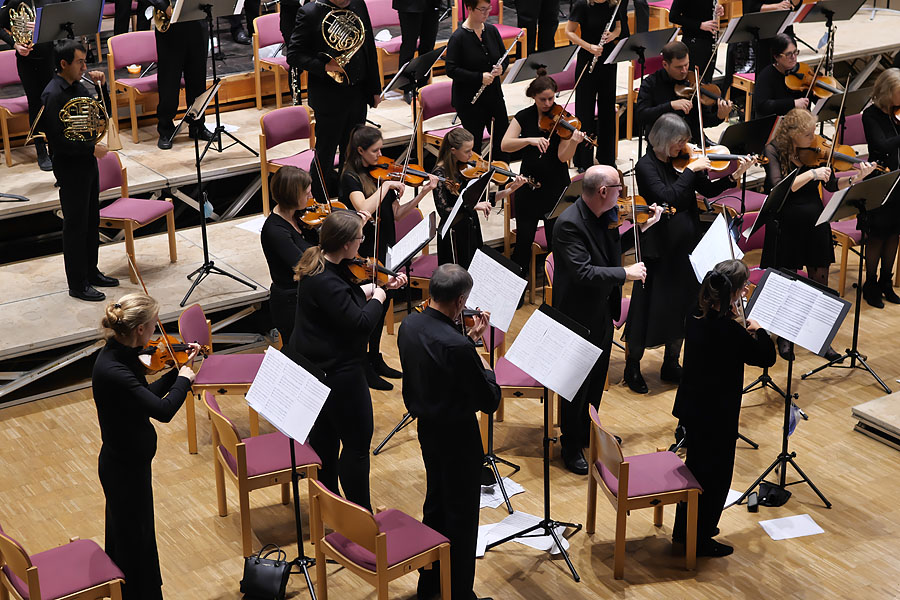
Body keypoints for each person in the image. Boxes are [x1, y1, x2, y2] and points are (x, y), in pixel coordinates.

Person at [623, 113, 753, 393]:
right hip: (659, 249)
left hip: (687, 247)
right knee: (648, 308)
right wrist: (691, 171)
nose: (684, 146)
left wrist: (734, 176)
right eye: (679, 141)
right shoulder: (646, 166)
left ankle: (671, 363)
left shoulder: (684, 162)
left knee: (684, 306)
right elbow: (667, 197)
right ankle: (632, 366)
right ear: (664, 139)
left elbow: (707, 190)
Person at [288, 210, 407, 511]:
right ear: (345, 243)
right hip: (339, 374)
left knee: (325, 444)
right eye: (359, 238)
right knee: (356, 447)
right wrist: (379, 296)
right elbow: (359, 324)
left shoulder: (319, 265)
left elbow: (342, 301)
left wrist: (376, 288)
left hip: (317, 372)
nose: (362, 243)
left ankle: (332, 512)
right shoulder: (328, 281)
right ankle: (360, 515)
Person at [398, 264, 500, 600]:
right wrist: (482, 359)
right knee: (461, 518)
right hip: (459, 438)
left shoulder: (409, 324)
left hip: (428, 431)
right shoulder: (458, 348)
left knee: (437, 507)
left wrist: (468, 340)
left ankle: (430, 587)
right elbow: (489, 401)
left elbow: (440, 364)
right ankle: (458, 594)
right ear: (459, 301)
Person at [553, 165, 661, 474]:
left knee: (596, 380)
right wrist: (626, 273)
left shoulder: (607, 215)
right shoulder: (569, 224)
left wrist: (642, 229)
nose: (623, 195)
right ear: (603, 191)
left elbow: (612, 251)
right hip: (576, 315)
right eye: (619, 189)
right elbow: (583, 272)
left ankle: (588, 431)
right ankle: (570, 445)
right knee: (576, 384)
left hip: (600, 310)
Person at [92, 293, 199, 600]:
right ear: (140, 329)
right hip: (123, 471)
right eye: (154, 325)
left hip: (128, 465)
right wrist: (184, 380)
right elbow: (162, 411)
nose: (156, 331)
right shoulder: (114, 370)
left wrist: (177, 373)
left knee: (132, 540)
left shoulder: (121, 355)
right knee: (135, 546)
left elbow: (144, 397)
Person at [671, 260, 776, 558]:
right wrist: (759, 331)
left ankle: (685, 531)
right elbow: (766, 358)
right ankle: (700, 539)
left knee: (695, 471)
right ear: (735, 292)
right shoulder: (730, 331)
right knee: (715, 478)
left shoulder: (694, 313)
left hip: (692, 408)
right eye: (744, 288)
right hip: (717, 415)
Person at [761, 108, 875, 359]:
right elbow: (779, 186)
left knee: (819, 280)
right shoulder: (773, 150)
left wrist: (856, 178)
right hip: (786, 223)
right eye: (807, 134)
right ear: (792, 134)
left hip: (815, 221)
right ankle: (785, 337)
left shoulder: (816, 150)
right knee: (788, 281)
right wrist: (811, 174)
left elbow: (832, 184)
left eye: (814, 132)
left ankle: (820, 337)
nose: (813, 137)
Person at [340, 125, 438, 390]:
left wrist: (423, 193)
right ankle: (362, 363)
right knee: (367, 307)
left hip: (385, 247)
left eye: (381, 149)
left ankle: (374, 356)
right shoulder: (350, 177)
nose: (380, 155)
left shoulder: (382, 174)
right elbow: (364, 208)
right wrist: (386, 186)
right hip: (362, 251)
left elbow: (396, 214)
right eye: (375, 151)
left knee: (382, 306)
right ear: (360, 151)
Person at [41, 40, 119, 302]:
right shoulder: (53, 95)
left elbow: (101, 116)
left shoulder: (78, 86)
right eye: (80, 62)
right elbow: (57, 140)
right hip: (70, 167)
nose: (85, 67)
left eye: (85, 61)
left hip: (86, 164)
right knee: (75, 226)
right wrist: (90, 149)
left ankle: (91, 272)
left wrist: (102, 88)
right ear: (64, 64)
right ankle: (77, 283)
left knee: (91, 221)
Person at [288, 0, 381, 199]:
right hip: (328, 97)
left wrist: (375, 88)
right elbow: (294, 55)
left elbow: (368, 46)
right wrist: (324, 67)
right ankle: (320, 203)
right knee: (326, 154)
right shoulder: (310, 12)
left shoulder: (358, 4)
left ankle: (350, 201)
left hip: (357, 92)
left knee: (354, 153)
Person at [501, 70, 583, 278]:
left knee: (557, 244)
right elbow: (505, 144)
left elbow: (563, 157)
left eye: (551, 98)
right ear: (533, 97)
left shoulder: (563, 119)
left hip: (556, 188)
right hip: (529, 187)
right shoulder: (523, 117)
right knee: (523, 244)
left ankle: (555, 286)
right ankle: (516, 288)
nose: (548, 103)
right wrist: (529, 140)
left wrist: (573, 142)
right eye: (542, 99)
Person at [432, 127, 526, 267]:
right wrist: (473, 205)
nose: (472, 155)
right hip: (454, 235)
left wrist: (510, 189)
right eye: (467, 151)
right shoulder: (439, 174)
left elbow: (483, 199)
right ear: (453, 151)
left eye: (472, 149)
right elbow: (444, 210)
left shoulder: (463, 168)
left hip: (471, 227)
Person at [565, 0, 629, 171]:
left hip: (608, 60)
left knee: (607, 110)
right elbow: (569, 32)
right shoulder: (582, 5)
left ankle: (606, 157)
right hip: (588, 59)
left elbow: (619, 28)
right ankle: (584, 161)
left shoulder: (613, 4)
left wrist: (612, 36)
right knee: (585, 111)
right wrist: (589, 47)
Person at [445, 0, 511, 162]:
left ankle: (502, 174)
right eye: (482, 9)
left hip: (494, 96)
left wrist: (501, 68)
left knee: (502, 140)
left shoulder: (491, 30)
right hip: (470, 101)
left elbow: (504, 57)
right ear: (469, 8)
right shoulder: (458, 37)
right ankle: (474, 177)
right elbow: (451, 70)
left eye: (489, 8)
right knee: (473, 147)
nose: (487, 13)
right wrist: (479, 77)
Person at [635, 41, 732, 147]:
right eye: (679, 67)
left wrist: (719, 116)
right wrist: (671, 105)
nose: (684, 71)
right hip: (663, 144)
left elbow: (703, 121)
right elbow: (641, 116)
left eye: (686, 65)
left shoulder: (694, 81)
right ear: (665, 65)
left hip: (693, 141)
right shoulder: (651, 83)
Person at [146, 0, 212, 150]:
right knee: (169, 81)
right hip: (171, 27)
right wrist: (164, 6)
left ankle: (197, 126)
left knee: (198, 80)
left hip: (197, 23)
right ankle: (166, 129)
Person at [260, 166, 315, 344]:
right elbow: (303, 265)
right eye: (306, 193)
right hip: (291, 303)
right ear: (292, 195)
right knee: (299, 352)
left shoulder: (299, 215)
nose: (311, 196)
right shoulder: (275, 231)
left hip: (306, 294)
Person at [860, 68, 900, 308]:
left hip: (899, 181)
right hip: (879, 182)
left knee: (894, 233)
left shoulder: (897, 112)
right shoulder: (870, 115)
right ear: (887, 92)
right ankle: (871, 284)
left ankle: (886, 282)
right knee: (877, 235)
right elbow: (881, 145)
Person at [0, 0, 54, 170]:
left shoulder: (50, 1)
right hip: (27, 62)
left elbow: (63, 25)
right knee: (35, 103)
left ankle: (55, 147)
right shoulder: (15, 2)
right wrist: (14, 44)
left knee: (53, 102)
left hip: (51, 58)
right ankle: (41, 150)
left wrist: (42, 27)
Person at [393, 0, 439, 103]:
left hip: (431, 4)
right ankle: (407, 87)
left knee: (428, 46)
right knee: (409, 46)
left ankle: (423, 85)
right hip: (409, 5)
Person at [753, 33, 808, 119]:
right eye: (788, 54)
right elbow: (761, 106)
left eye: (795, 52)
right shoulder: (767, 75)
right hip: (776, 123)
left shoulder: (803, 71)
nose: (793, 57)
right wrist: (793, 103)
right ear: (776, 57)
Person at [669, 0, 724, 83]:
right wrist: (700, 25)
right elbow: (673, 17)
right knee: (692, 82)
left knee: (707, 81)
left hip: (710, 41)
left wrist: (719, 10)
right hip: (693, 41)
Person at [741, 0, 798, 76]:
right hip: (764, 31)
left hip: (785, 27)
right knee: (767, 71)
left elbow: (796, 4)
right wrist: (776, 6)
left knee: (790, 66)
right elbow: (750, 8)